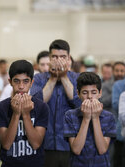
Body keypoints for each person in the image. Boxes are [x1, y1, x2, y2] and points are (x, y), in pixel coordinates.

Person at [30, 39, 81, 167]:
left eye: (63, 57)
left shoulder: (78, 78)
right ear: (50, 58)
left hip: (70, 144)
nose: (58, 60)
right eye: (55, 57)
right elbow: (36, 105)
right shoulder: (39, 78)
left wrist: (63, 77)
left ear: (69, 59)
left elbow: (80, 104)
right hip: (45, 144)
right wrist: (53, 78)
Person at [0, 60, 49, 167]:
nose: (21, 86)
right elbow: (6, 144)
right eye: (16, 81)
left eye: (25, 81)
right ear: (10, 82)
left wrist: (25, 114)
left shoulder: (42, 107)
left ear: (31, 83)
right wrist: (16, 113)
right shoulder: (0, 108)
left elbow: (36, 143)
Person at [64, 72, 116, 167]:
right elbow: (76, 149)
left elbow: (102, 149)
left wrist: (95, 118)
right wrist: (86, 118)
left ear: (100, 93)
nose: (89, 97)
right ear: (78, 94)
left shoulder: (109, 117)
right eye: (84, 92)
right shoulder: (70, 115)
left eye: (94, 92)